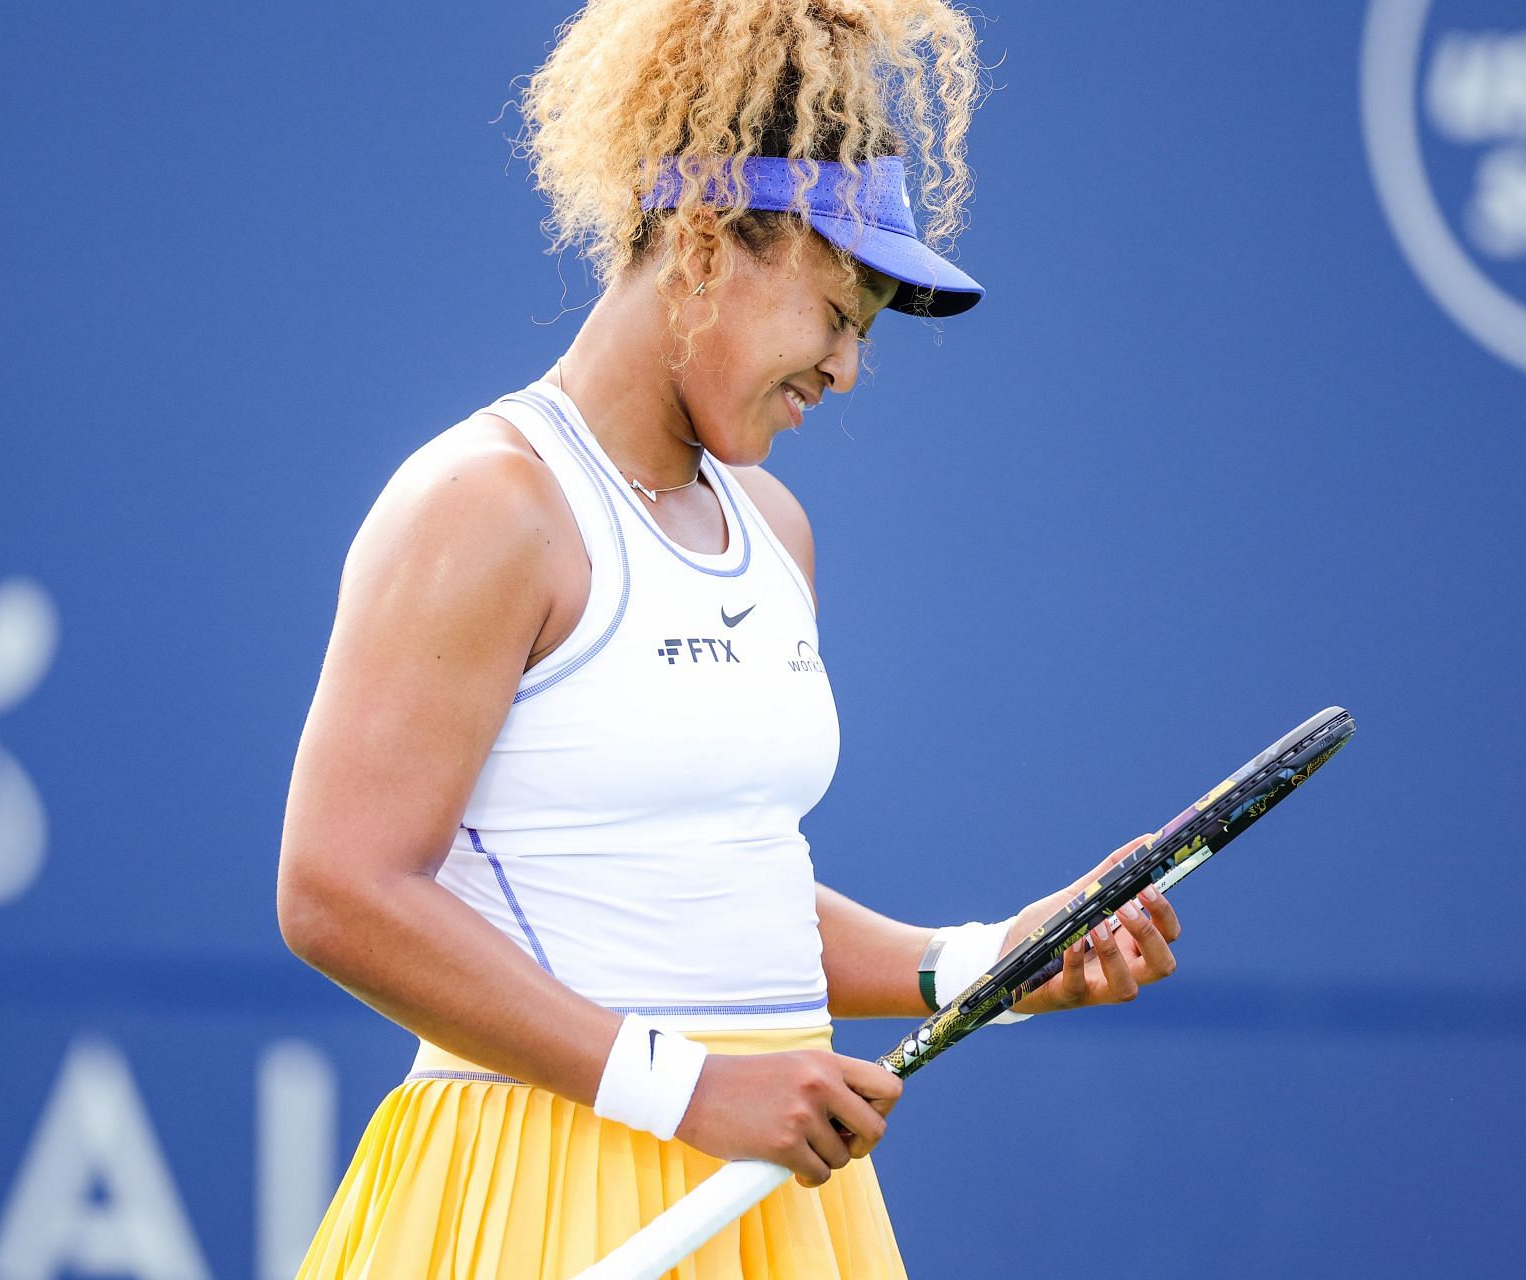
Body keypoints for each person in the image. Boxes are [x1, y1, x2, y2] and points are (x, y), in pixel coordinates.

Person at [276, 2, 1183, 1276]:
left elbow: (712, 880)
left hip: (766, 1181)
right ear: (706, 240)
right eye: (836, 307)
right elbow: (337, 890)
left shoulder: (773, 527)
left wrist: (980, 962)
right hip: (544, 1179)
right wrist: (689, 1091)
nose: (849, 368)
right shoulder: (484, 503)